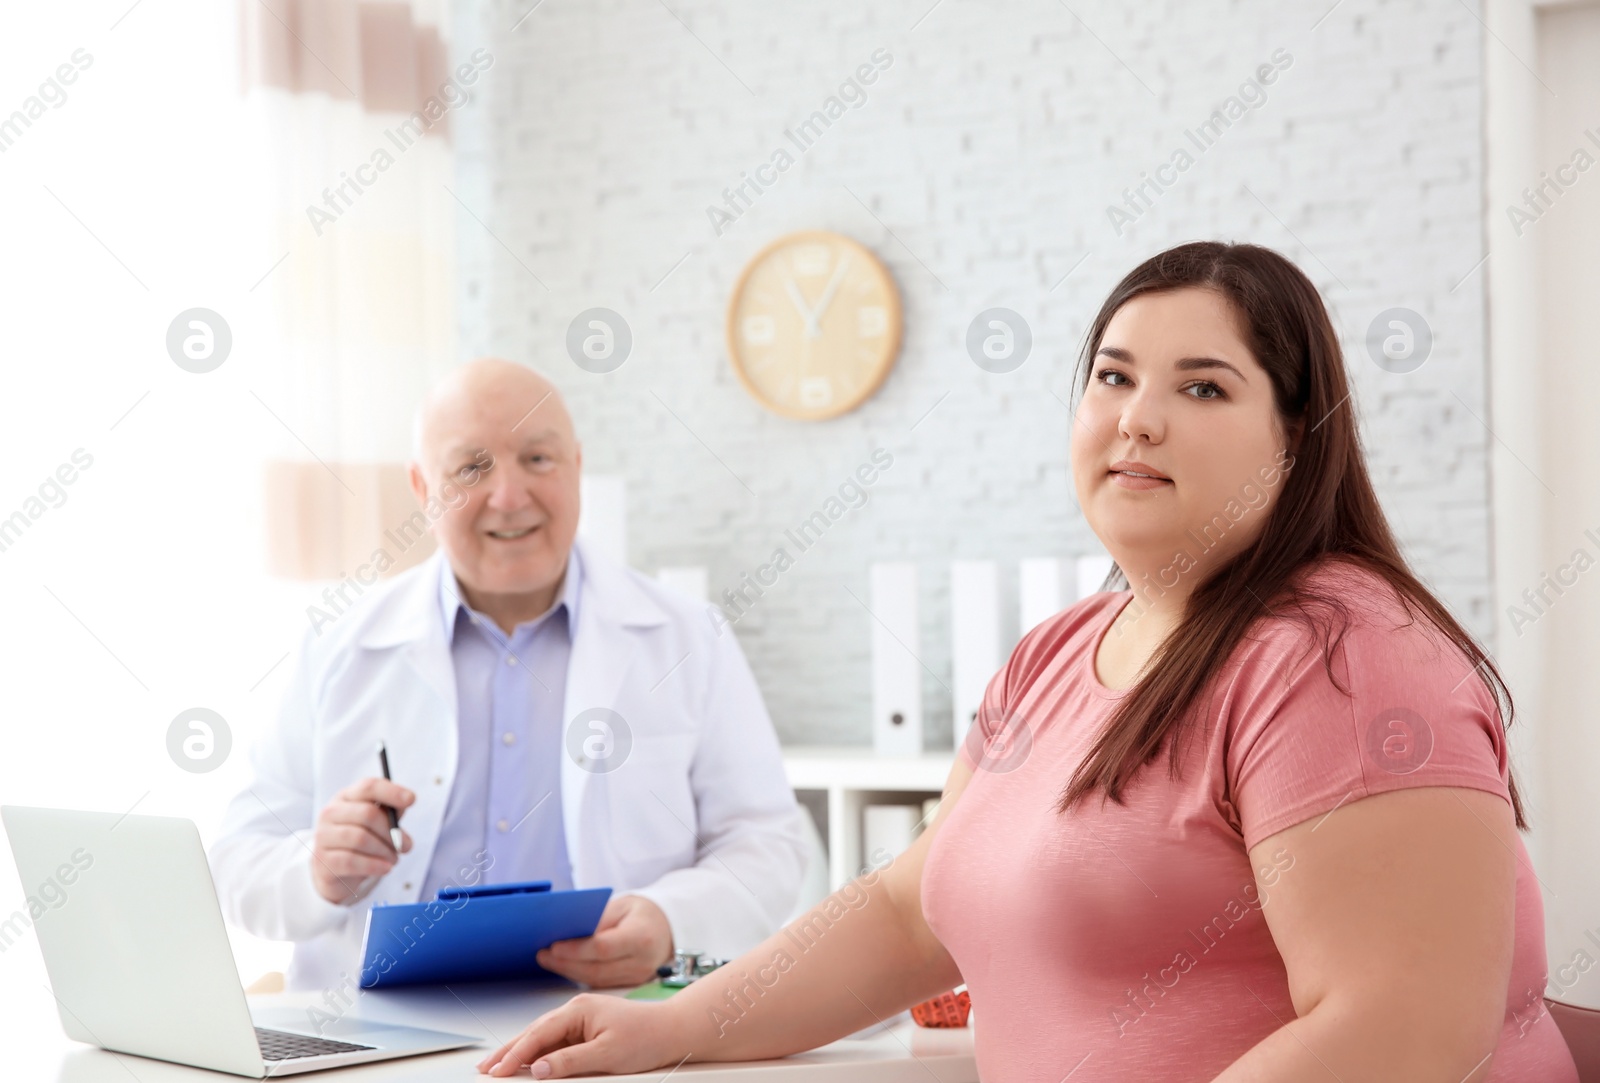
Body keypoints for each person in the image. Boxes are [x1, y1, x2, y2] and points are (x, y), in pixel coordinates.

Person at [475, 243, 1578, 1081]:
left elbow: (1402, 1025)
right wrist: (674, 1028)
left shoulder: (1342, 656)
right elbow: (912, 911)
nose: (1136, 420)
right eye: (1111, 376)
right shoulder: (1058, 653)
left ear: (1297, 442)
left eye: (1202, 387)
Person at [210, 359, 808, 993]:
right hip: (382, 1039)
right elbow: (236, 861)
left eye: (538, 459)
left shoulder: (688, 639)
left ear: (576, 467)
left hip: (612, 1032)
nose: (509, 496)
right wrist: (316, 870)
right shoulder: (338, 642)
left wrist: (669, 920)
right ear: (421, 489)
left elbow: (766, 843)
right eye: (471, 468)